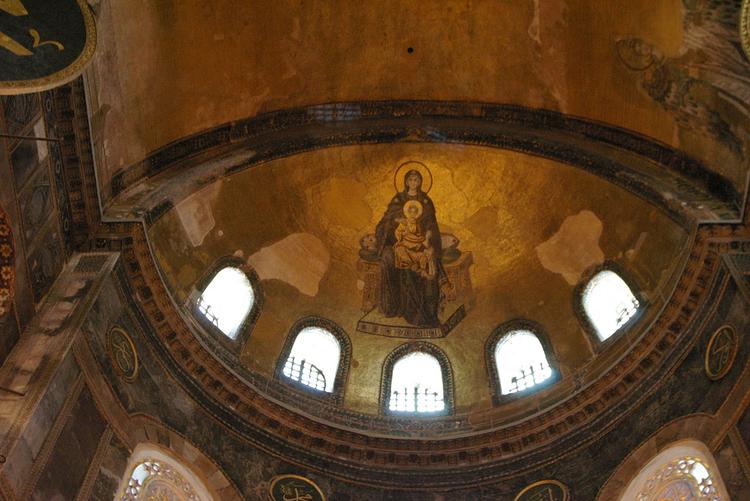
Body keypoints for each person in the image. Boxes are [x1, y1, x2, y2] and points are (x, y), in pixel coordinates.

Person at [374, 169, 447, 327]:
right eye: (411, 179)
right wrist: (398, 221)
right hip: (400, 243)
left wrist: (428, 239)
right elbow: (386, 222)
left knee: (429, 263)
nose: (414, 182)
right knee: (392, 259)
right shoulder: (398, 199)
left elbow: (431, 224)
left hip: (421, 242)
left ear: (420, 182)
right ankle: (395, 307)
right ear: (406, 182)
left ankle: (428, 313)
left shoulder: (425, 201)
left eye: (417, 180)